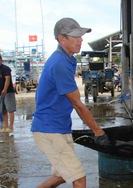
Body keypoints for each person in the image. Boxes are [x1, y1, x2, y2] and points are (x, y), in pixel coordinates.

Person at [31, 17, 109, 188]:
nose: (81, 40)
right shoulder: (59, 63)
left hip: (58, 127)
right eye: (76, 36)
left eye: (81, 36)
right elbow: (77, 104)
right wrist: (98, 132)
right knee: (79, 177)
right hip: (49, 129)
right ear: (62, 39)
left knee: (61, 175)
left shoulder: (67, 59)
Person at [0, 54, 16, 133]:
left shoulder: (5, 69)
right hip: (0, 93)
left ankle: (11, 127)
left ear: (1, 60)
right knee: (3, 110)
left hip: (8, 92)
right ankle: (5, 127)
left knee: (10, 109)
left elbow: (7, 79)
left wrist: (5, 89)